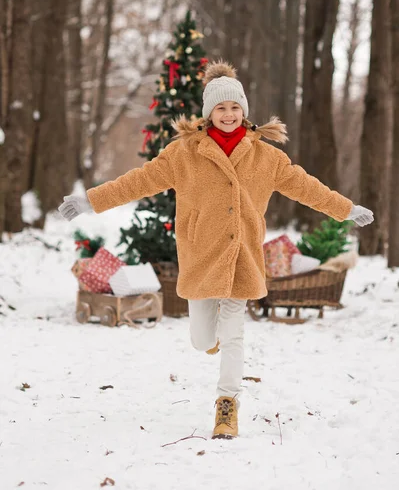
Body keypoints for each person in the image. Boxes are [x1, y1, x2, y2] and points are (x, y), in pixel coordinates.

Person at [58, 60, 374, 440]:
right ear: (209, 113)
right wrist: (91, 201)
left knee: (235, 333)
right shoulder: (183, 154)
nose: (229, 114)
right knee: (202, 339)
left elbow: (307, 187)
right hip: (201, 256)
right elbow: (138, 181)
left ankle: (227, 404)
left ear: (244, 110)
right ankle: (214, 343)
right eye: (221, 108)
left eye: (235, 107)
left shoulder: (267, 158)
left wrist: (345, 209)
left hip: (243, 256)